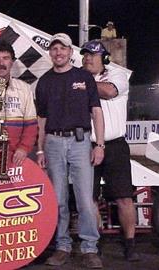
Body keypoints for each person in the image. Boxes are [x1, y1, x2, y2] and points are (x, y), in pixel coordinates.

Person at [35, 33, 105, 269]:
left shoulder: (84, 77)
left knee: (85, 199)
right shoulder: (44, 81)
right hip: (53, 143)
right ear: (50, 53)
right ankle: (62, 245)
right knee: (58, 200)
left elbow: (96, 112)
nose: (58, 53)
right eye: (54, 49)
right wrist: (40, 150)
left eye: (62, 48)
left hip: (80, 141)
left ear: (70, 52)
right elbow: (41, 119)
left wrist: (100, 145)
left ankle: (89, 247)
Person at [81, 40, 140, 261]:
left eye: (93, 56)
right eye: (85, 55)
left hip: (115, 144)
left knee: (124, 197)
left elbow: (108, 91)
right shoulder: (81, 77)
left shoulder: (117, 75)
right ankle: (96, 242)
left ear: (104, 58)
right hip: (87, 145)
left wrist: (81, 81)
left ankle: (130, 243)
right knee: (90, 198)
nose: (88, 59)